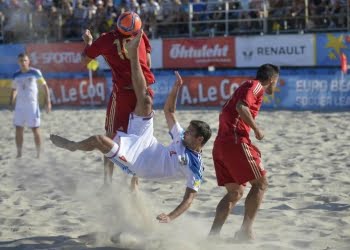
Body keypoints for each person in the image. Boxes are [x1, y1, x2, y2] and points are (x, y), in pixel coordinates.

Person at [50, 31, 212, 223]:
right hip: (148, 142)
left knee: (99, 140)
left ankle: (73, 146)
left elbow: (189, 198)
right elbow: (169, 112)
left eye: (190, 133)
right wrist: (176, 89)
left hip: (139, 162)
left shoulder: (195, 165)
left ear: (199, 140)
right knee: (145, 101)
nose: (186, 133)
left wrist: (170, 216)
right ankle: (134, 54)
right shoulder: (183, 138)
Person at [81, 11, 155, 188]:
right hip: (144, 93)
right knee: (140, 138)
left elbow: (85, 61)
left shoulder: (106, 39)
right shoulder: (141, 35)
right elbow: (149, 63)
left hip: (123, 94)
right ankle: (134, 181)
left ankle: (107, 182)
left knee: (111, 137)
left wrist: (88, 44)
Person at [209, 64, 280, 240]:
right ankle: (245, 231)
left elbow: (231, 110)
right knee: (261, 184)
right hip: (235, 141)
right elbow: (242, 107)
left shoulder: (245, 87)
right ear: (272, 79)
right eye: (276, 81)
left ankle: (213, 236)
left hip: (221, 144)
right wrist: (256, 129)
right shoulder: (255, 85)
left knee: (235, 193)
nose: (275, 85)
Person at [9, 53, 52, 159]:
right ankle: (19, 153)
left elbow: (45, 86)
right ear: (18, 63)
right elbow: (14, 89)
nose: (23, 63)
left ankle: (38, 154)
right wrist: (11, 101)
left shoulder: (35, 72)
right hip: (19, 106)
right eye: (21, 61)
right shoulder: (16, 75)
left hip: (32, 106)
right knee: (19, 129)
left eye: (25, 60)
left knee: (35, 129)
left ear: (28, 61)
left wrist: (48, 101)